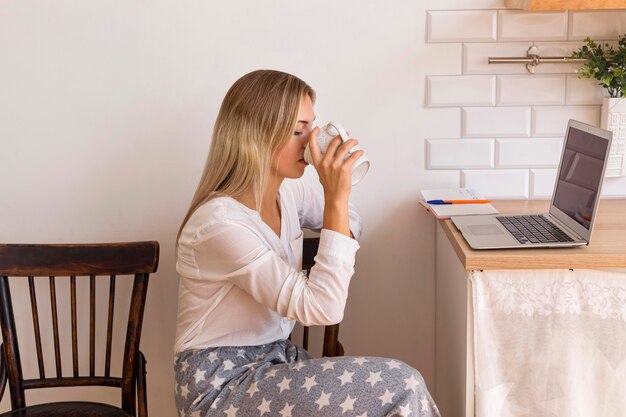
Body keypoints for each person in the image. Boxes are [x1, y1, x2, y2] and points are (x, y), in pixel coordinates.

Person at [174, 69, 440, 417]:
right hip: (221, 383)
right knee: (402, 383)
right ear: (257, 135)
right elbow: (322, 309)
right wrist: (335, 198)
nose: (311, 141)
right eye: (299, 130)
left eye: (312, 128)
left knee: (396, 387)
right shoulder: (219, 225)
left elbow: (352, 223)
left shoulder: (289, 192)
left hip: (273, 362)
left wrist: (336, 206)